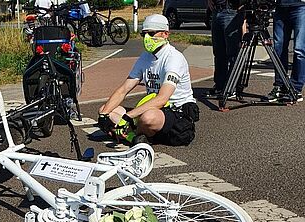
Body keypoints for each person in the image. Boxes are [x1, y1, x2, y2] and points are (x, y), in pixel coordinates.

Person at [98, 14, 199, 146]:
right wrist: (103, 116)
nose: (147, 38)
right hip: (152, 107)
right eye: (144, 34)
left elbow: (162, 99)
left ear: (165, 34)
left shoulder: (174, 58)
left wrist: (128, 117)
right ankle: (134, 136)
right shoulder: (145, 57)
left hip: (175, 111)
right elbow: (124, 89)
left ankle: (129, 133)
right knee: (104, 109)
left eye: (151, 34)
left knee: (148, 118)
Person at [267, 0, 304, 102]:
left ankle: (296, 88)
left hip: (300, 7)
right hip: (280, 7)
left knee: (299, 50)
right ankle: (280, 86)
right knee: (278, 49)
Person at [206, 0, 244, 98]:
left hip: (231, 10)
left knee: (233, 52)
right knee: (219, 52)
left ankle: (233, 86)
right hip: (217, 9)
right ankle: (220, 85)